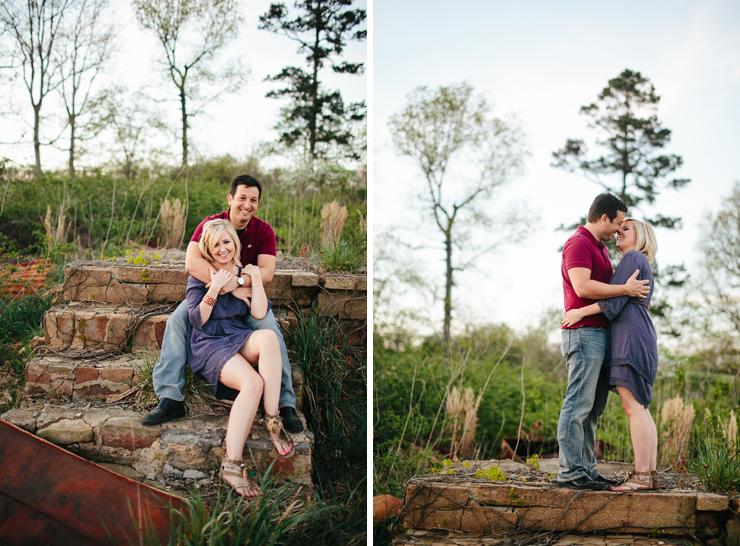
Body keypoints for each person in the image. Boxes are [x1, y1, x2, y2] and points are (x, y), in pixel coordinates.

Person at [142, 174, 304, 433]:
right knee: (176, 322)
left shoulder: (263, 231)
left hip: (245, 295)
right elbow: (192, 263)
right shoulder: (210, 224)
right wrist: (224, 288)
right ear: (231, 198)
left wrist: (237, 284)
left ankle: (285, 404)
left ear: (258, 203)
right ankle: (171, 397)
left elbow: (267, 272)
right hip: (211, 292)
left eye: (253, 200)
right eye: (242, 198)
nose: (247, 204)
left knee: (270, 329)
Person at [186, 219, 293, 498]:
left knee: (268, 337)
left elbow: (258, 314)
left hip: (235, 335)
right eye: (215, 245)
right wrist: (214, 287)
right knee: (253, 383)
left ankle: (272, 420)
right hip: (208, 342)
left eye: (226, 242)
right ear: (207, 249)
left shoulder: (244, 272)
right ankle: (232, 464)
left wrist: (254, 279)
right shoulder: (204, 274)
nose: (222, 249)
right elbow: (197, 320)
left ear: (234, 242)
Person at [557, 192, 651, 491]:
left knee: (593, 409)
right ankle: (571, 472)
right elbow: (582, 286)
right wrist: (624, 289)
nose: (618, 230)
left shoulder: (598, 248)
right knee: (578, 404)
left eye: (625, 227)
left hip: (600, 334)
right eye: (618, 223)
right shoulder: (579, 243)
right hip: (583, 332)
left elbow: (621, 297)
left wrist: (626, 292)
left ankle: (586, 468)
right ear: (604, 218)